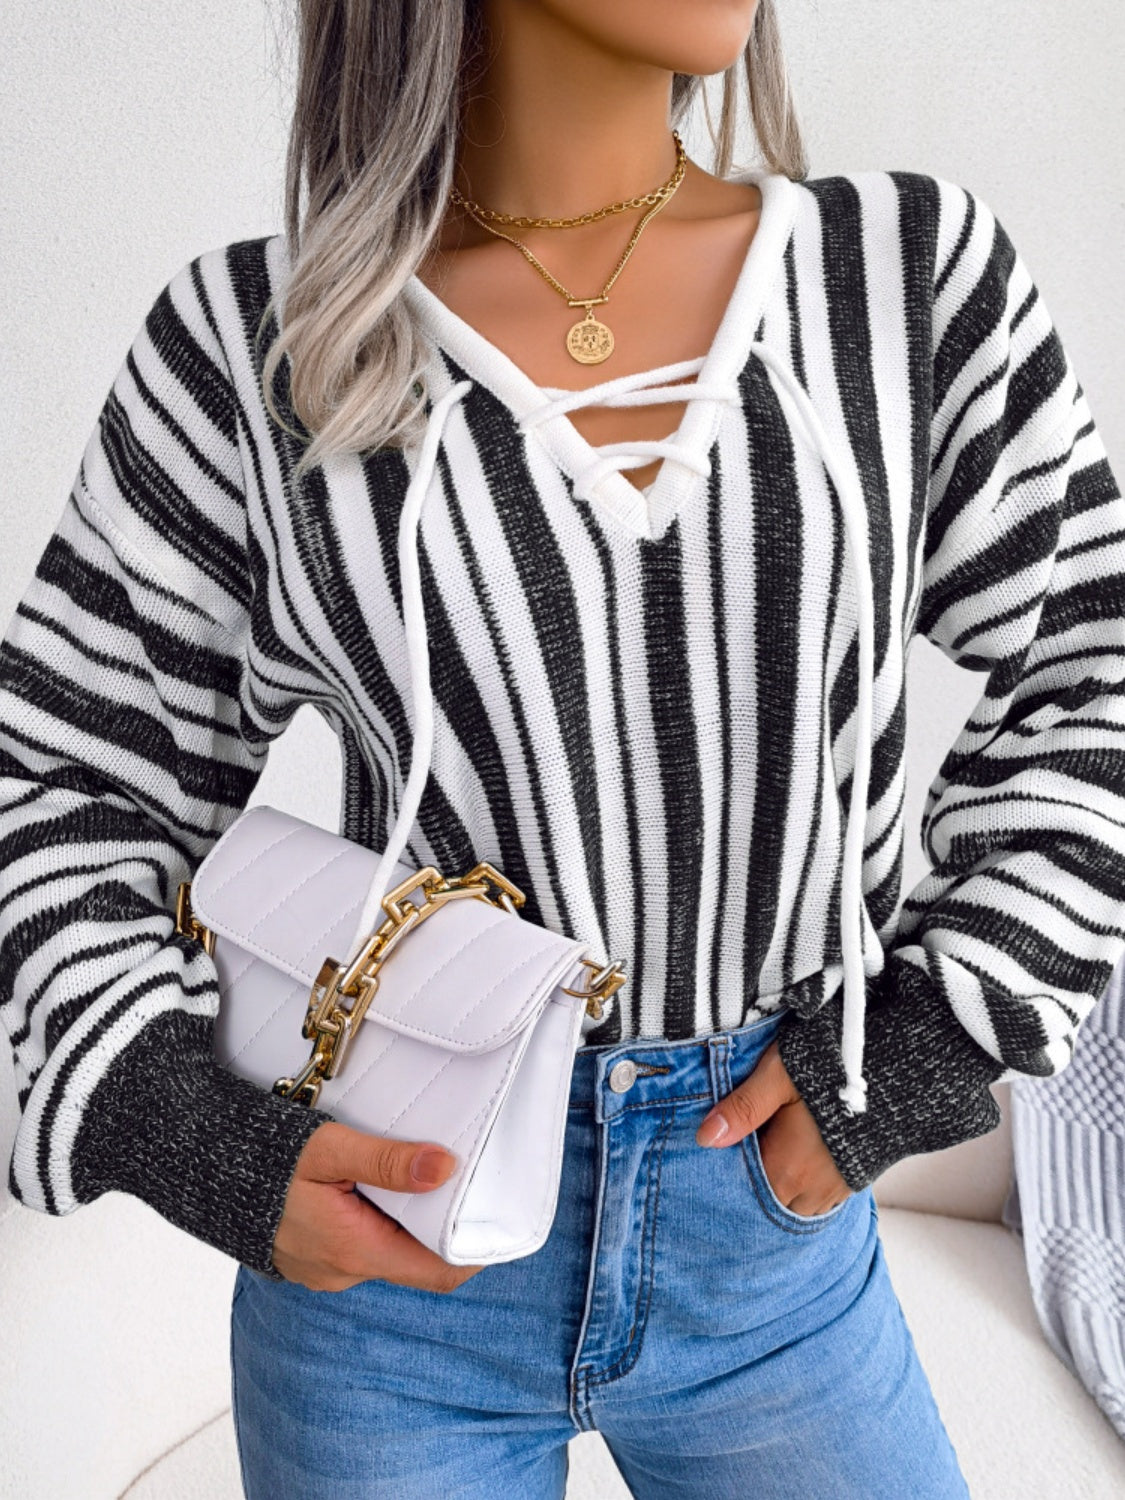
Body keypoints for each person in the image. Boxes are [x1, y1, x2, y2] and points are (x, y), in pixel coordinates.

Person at [2, 1, 1122, 1495]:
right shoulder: (250, 353)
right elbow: (62, 787)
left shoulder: (908, 279)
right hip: (397, 1264)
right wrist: (200, 1143)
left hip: (771, 1256)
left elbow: (1095, 663)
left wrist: (931, 1036)